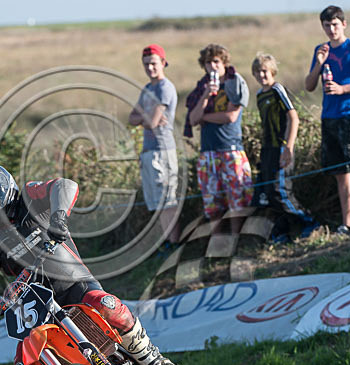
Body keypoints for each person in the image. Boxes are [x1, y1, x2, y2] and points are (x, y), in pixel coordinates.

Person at [0, 163, 181, 365]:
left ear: (4, 188)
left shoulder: (30, 196)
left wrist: (58, 217)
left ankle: (153, 360)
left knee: (105, 304)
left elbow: (65, 185)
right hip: (39, 309)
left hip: (75, 284)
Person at [304, 5, 350, 236]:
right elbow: (309, 86)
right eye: (327, 25)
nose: (331, 29)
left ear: (344, 24)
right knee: (340, 173)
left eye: (335, 24)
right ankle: (347, 223)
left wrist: (343, 88)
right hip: (329, 117)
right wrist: (318, 62)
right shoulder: (321, 49)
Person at [251, 52, 318, 241]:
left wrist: (288, 147)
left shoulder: (278, 89)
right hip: (267, 149)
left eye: (264, 71)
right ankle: (283, 232)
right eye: (257, 72)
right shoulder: (259, 95)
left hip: (281, 147)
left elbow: (293, 117)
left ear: (272, 71)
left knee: (281, 190)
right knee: (267, 193)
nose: (261, 75)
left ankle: (309, 222)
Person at [186, 43, 252, 230]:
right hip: (208, 151)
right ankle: (217, 244)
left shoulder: (234, 81)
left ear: (223, 62)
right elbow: (192, 119)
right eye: (208, 63)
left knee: (237, 201)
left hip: (230, 149)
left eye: (216, 61)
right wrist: (206, 95)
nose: (212, 66)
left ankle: (237, 239)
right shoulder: (202, 86)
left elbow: (230, 116)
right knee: (212, 204)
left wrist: (205, 117)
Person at [129, 44, 180, 244]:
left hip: (163, 151)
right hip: (148, 150)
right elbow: (133, 118)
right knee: (157, 203)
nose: (150, 68)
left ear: (163, 63)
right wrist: (146, 117)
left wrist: (145, 118)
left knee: (168, 202)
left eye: (153, 63)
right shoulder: (147, 89)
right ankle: (166, 242)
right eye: (146, 64)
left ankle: (175, 243)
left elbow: (151, 122)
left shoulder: (165, 88)